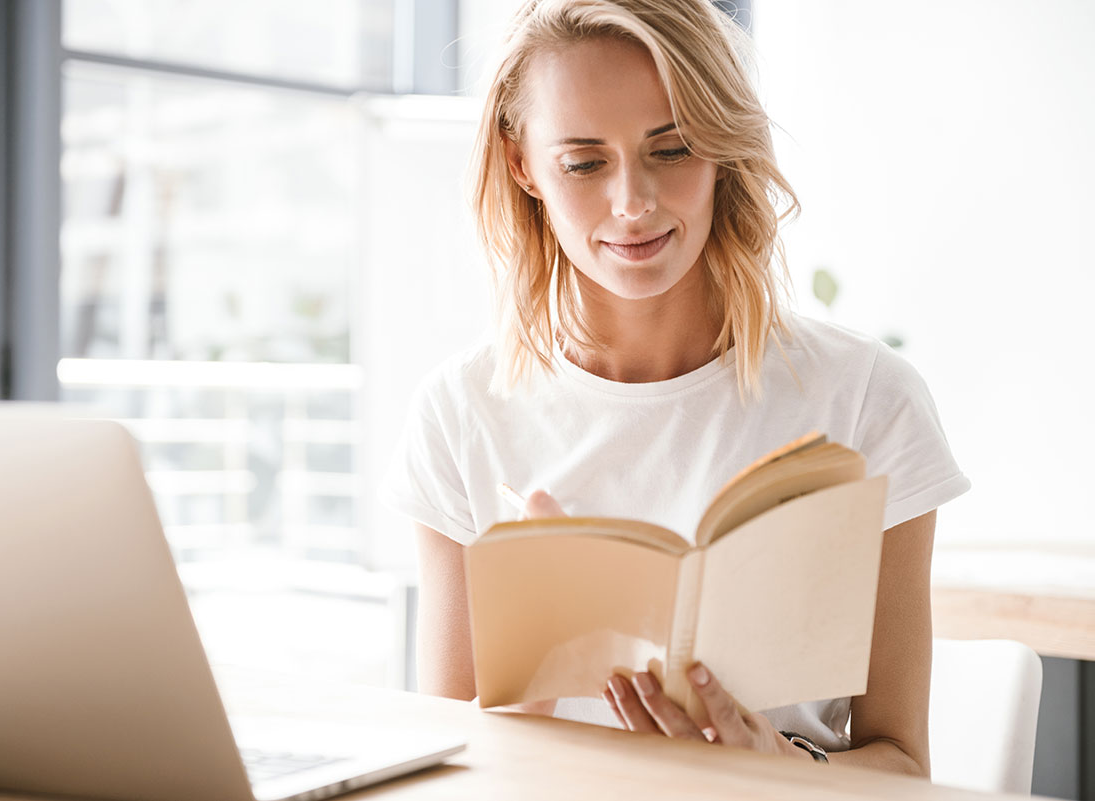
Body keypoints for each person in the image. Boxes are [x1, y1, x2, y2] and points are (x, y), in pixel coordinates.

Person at [380, 0, 970, 776]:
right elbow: (449, 762)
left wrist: (774, 762)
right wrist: (535, 677)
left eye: (674, 148)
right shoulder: (461, 412)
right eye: (585, 163)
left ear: (724, 145)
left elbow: (903, 762)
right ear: (523, 162)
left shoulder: (866, 398)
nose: (633, 204)